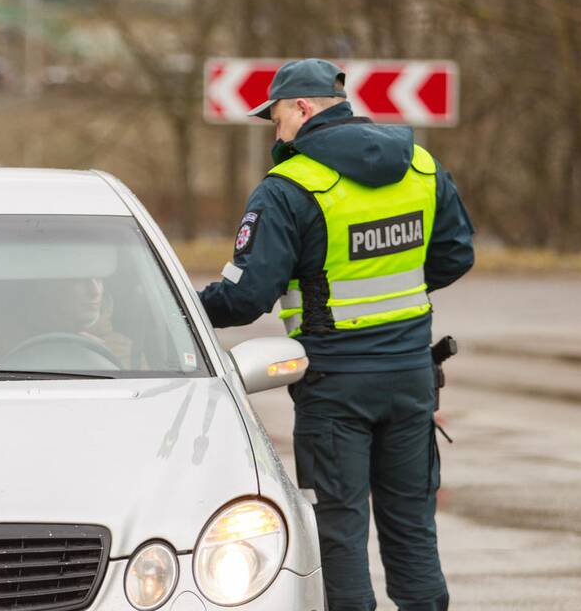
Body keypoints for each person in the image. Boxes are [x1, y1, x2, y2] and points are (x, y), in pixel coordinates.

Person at [199, 58, 474, 611]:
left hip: (335, 387)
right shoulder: (419, 166)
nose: (275, 132)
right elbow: (454, 255)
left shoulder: (287, 187)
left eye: (275, 118)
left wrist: (181, 309)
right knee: (413, 530)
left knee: (341, 533)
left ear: (301, 107)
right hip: (410, 377)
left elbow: (246, 296)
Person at [0, 277, 132, 369]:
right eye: (78, 280)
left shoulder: (118, 347)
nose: (95, 291)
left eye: (99, 279)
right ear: (47, 286)